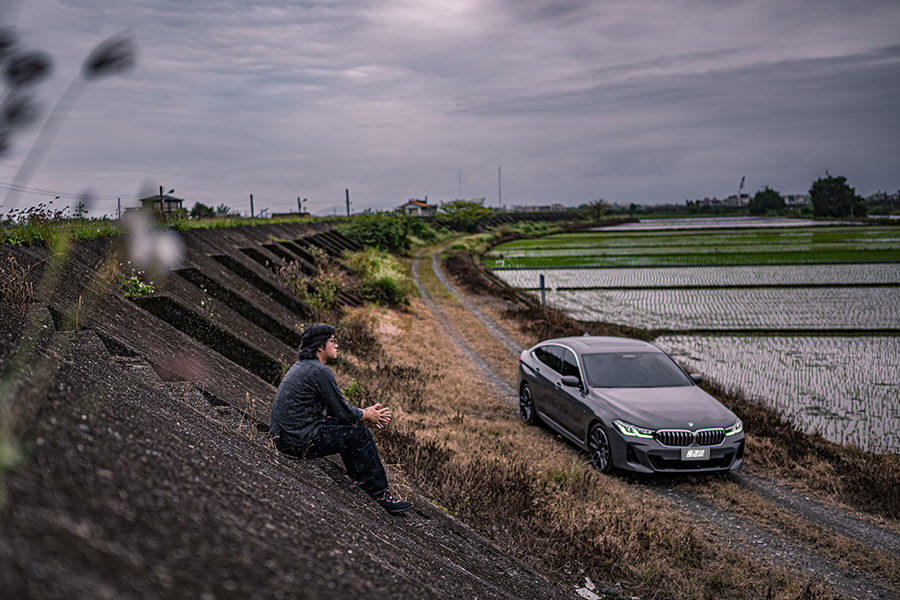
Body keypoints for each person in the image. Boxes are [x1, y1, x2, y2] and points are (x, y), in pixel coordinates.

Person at [269, 323, 412, 515]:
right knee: (361, 435)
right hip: (297, 442)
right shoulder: (320, 371)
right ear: (320, 346)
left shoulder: (302, 366)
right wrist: (367, 415)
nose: (336, 345)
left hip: (286, 438)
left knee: (347, 428)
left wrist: (363, 413)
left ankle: (361, 481)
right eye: (332, 341)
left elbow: (339, 413)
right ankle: (381, 494)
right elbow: (343, 411)